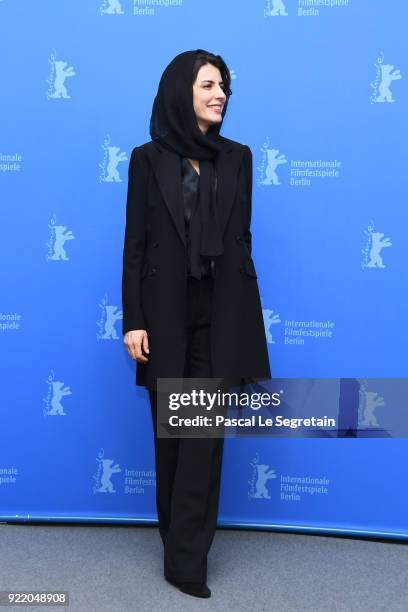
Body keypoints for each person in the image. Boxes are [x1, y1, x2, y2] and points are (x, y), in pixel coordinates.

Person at [122, 49, 271, 598]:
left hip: (220, 312)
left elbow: (241, 243)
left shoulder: (239, 158)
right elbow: (134, 248)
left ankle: (187, 562)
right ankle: (177, 539)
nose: (220, 95)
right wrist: (133, 320)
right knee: (173, 438)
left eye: (225, 87)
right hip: (164, 316)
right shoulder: (147, 159)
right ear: (181, 91)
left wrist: (248, 321)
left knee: (203, 437)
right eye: (209, 84)